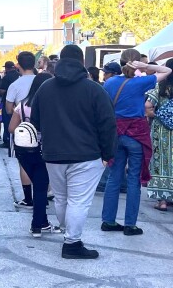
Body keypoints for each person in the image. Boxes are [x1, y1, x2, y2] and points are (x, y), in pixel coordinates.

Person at [30, 44, 116, 259]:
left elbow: (35, 121)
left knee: (61, 198)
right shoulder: (95, 89)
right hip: (87, 155)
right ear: (82, 63)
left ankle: (68, 232)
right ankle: (72, 243)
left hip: (53, 154)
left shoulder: (45, 88)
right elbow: (107, 124)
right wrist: (108, 154)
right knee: (79, 201)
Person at [100, 49, 172, 235]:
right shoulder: (141, 82)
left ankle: (108, 220)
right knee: (134, 179)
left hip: (116, 133)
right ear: (136, 63)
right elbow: (167, 71)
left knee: (114, 177)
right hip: (136, 134)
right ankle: (130, 224)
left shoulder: (110, 82)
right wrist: (146, 66)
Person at [8, 73, 61, 236]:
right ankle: (38, 224)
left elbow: (11, 128)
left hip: (24, 150)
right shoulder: (52, 105)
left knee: (38, 186)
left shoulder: (22, 105)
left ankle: (40, 223)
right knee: (41, 186)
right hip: (44, 149)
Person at [6, 51, 38, 208]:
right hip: (44, 127)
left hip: (22, 128)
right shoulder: (45, 81)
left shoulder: (15, 85)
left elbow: (7, 109)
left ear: (18, 65)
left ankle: (28, 198)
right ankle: (44, 194)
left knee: (24, 164)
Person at [146, 58, 173, 211]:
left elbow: (148, 106)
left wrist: (157, 115)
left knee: (160, 162)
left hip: (161, 131)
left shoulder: (161, 87)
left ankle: (162, 201)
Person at [0, 60, 20, 149]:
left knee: (7, 121)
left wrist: (0, 92)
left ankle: (7, 140)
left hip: (8, 102)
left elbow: (2, 90)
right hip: (19, 102)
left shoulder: (6, 77)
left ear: (7, 68)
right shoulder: (19, 75)